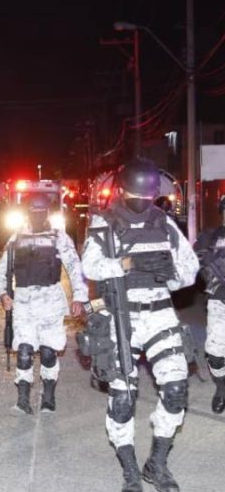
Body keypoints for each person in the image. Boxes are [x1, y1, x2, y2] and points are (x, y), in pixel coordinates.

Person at [81, 158, 199, 492]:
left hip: (160, 311)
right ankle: (130, 469)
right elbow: (90, 265)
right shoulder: (103, 223)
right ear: (120, 190)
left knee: (176, 389)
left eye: (147, 197)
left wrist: (171, 276)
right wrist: (126, 263)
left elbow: (189, 268)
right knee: (123, 397)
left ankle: (156, 464)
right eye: (136, 194)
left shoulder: (163, 222)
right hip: (122, 313)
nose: (142, 202)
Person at [0, 193, 88, 414]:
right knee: (24, 351)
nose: (37, 216)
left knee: (48, 351)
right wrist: (3, 295)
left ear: (47, 212)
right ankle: (23, 400)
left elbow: (74, 267)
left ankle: (49, 397)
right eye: (33, 211)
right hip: (23, 303)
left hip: (51, 301)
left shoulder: (58, 237)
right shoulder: (15, 239)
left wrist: (79, 297)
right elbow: (0, 273)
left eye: (41, 211)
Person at [193, 195, 225, 414]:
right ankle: (222, 389)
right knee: (215, 352)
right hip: (219, 301)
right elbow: (195, 264)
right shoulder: (210, 237)